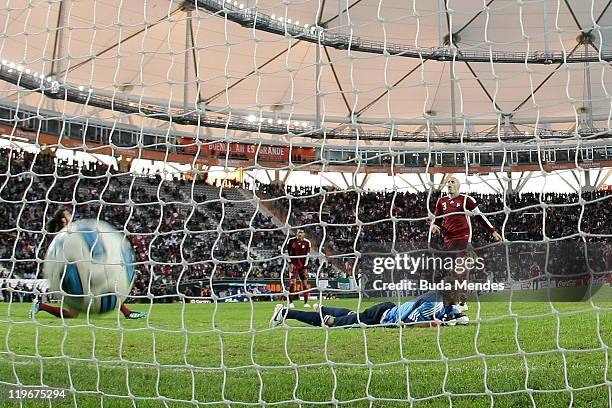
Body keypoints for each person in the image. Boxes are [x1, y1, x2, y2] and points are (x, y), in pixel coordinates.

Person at [30, 209, 146, 320]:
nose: (71, 216)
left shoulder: (72, 231)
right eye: (68, 215)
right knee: (73, 312)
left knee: (106, 285)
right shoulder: (67, 235)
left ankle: (127, 312)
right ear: (63, 220)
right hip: (73, 273)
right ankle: (41, 306)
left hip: (82, 269)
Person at [269, 290, 468, 328]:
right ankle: (285, 312)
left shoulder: (444, 302)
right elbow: (409, 323)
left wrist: (456, 316)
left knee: (351, 315)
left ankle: (322, 307)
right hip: (381, 317)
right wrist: (438, 324)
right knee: (332, 323)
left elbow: (460, 316)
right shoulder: (434, 303)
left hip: (385, 310)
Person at [283, 229, 311, 308]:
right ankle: (291, 302)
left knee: (305, 284)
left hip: (303, 266)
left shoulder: (307, 242)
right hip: (294, 266)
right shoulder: (291, 241)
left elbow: (308, 255)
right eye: (298, 232)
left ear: (304, 234)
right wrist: (290, 263)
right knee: (292, 283)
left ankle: (306, 303)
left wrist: (305, 266)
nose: (299, 234)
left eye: (301, 232)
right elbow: (286, 252)